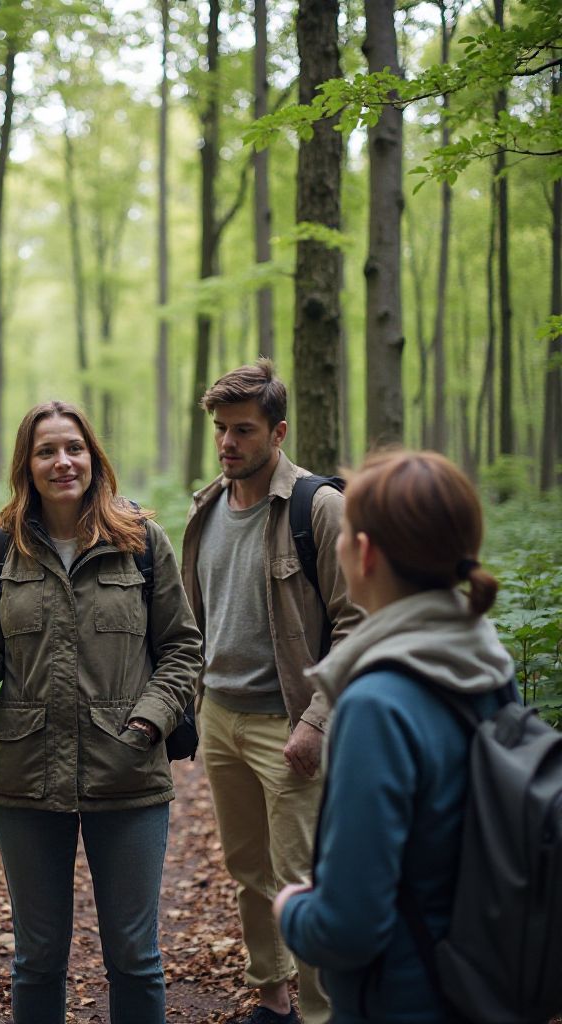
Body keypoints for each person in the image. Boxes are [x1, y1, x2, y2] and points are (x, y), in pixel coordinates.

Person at [0, 400, 202, 1024]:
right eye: (46, 450)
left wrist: (149, 720)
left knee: (135, 956)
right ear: (27, 464)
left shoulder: (141, 542)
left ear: (93, 457)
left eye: (73, 447)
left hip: (128, 771)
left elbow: (183, 647)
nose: (62, 461)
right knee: (37, 957)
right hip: (26, 777)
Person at [274, 450, 515, 1024]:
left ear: (364, 552)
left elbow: (348, 927)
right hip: (487, 977)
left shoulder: (377, 705)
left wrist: (291, 909)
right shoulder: (486, 664)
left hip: (406, 997)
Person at [181, 359, 362, 1024]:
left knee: (301, 881)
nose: (228, 443)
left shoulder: (320, 508)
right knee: (248, 873)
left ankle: (321, 1012)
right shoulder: (206, 509)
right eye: (221, 430)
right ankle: (271, 994)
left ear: (279, 432)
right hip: (221, 716)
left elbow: (357, 623)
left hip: (289, 724)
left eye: (244, 431)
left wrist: (316, 721)